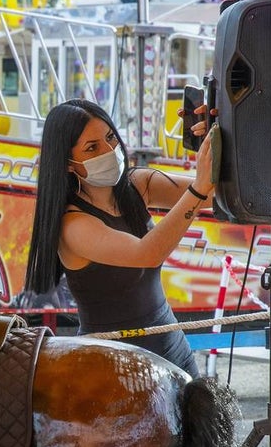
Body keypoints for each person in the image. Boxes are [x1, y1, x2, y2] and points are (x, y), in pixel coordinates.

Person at [24, 98, 215, 378]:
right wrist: (198, 187)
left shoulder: (138, 184)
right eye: (92, 148)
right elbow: (146, 254)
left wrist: (217, 136)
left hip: (174, 351)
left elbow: (216, 195)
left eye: (111, 137)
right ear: (67, 164)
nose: (109, 150)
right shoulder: (73, 225)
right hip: (110, 370)